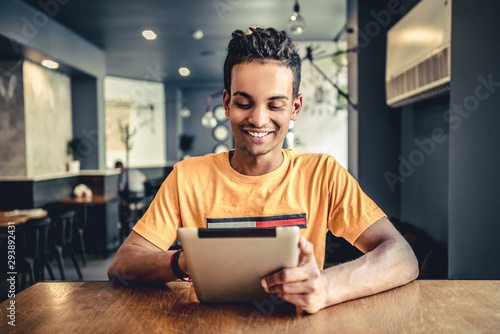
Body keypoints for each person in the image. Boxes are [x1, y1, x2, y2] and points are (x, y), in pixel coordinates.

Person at [108, 27, 418, 314]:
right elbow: (122, 264)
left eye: (275, 105)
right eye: (244, 103)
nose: (258, 119)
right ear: (227, 103)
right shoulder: (187, 176)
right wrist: (181, 261)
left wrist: (326, 287)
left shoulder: (323, 174)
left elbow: (402, 257)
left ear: (295, 108)